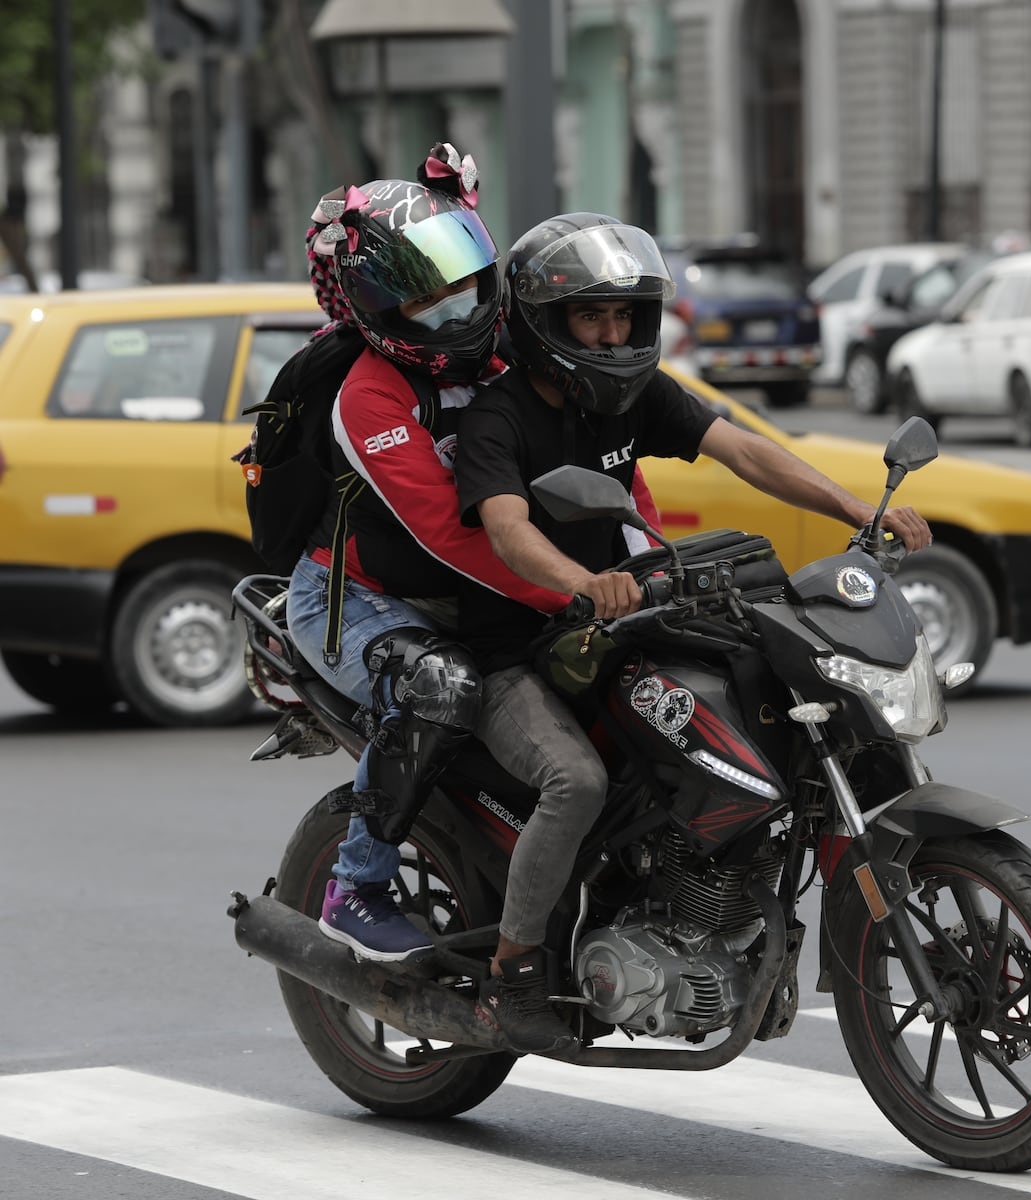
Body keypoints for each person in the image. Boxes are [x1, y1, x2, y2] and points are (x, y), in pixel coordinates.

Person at [454, 212, 934, 1055]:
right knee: (575, 782)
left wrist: (857, 507)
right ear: (541, 322)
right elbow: (506, 528)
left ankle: (700, 903)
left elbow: (742, 450)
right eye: (589, 318)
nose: (610, 334)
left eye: (623, 318)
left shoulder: (637, 396)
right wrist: (580, 581)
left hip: (615, 629)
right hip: (519, 647)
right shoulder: (500, 420)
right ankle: (513, 972)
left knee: (761, 701)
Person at [284, 152, 666, 981]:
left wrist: (650, 567)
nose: (450, 305)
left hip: (484, 596)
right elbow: (448, 537)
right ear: (378, 309)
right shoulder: (370, 396)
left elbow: (613, 467)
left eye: (458, 279)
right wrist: (574, 591)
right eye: (420, 296)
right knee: (438, 687)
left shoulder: (503, 357)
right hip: (361, 602)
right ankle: (357, 886)